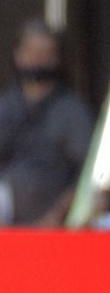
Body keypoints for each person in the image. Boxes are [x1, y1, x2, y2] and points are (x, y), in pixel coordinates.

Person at [0, 20, 92, 227]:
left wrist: (54, 218)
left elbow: (86, 174)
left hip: (52, 219)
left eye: (45, 54)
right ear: (18, 55)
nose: (37, 61)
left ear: (57, 58)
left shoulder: (72, 111)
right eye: (31, 53)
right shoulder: (6, 106)